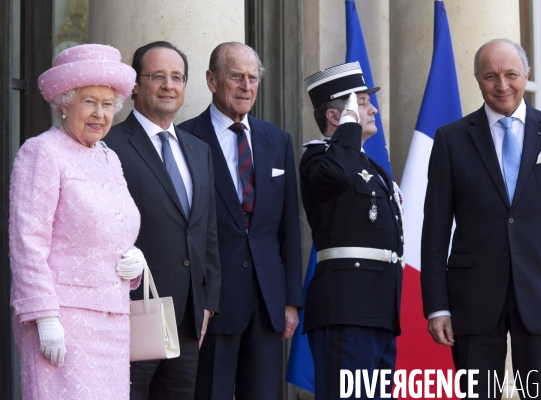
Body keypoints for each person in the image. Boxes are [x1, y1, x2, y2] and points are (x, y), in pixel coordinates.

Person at [421, 39, 541, 399]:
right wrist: (437, 306)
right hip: (473, 297)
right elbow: (434, 231)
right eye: (490, 76)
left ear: (526, 76)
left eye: (511, 74)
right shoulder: (451, 140)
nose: (502, 85)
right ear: (478, 81)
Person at [9, 44, 145, 399]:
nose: (100, 113)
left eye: (107, 103)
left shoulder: (109, 158)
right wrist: (44, 316)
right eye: (89, 101)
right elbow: (27, 242)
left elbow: (114, 229)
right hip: (63, 322)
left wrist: (135, 261)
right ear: (65, 103)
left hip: (112, 322)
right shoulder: (42, 152)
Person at [178, 41, 303, 400]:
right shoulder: (185, 138)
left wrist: (291, 300)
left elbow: (289, 226)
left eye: (253, 78)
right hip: (210, 304)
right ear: (212, 80)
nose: (246, 86)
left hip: (267, 304)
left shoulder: (277, 140)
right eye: (236, 77)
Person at [103, 41, 221, 400]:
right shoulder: (111, 144)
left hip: (186, 319)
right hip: (131, 312)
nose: (169, 85)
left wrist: (208, 302)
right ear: (136, 85)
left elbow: (207, 231)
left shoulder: (197, 149)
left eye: (177, 77)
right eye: (158, 76)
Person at [299, 62, 404, 400]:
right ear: (336, 115)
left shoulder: (370, 168)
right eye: (361, 102)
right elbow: (336, 175)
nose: (372, 108)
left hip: (379, 309)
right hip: (346, 307)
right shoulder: (319, 159)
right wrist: (348, 126)